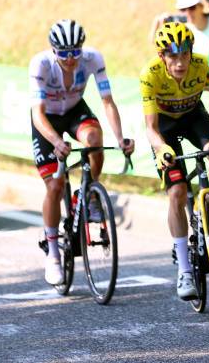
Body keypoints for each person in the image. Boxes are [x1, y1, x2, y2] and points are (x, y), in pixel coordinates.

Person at [30, 19, 134, 285]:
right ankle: (53, 253)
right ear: (53, 51)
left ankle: (88, 193)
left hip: (76, 110)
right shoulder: (41, 64)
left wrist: (120, 138)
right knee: (54, 186)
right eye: (63, 53)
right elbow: (37, 112)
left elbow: (107, 101)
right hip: (48, 120)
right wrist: (55, 140)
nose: (70, 58)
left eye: (75, 52)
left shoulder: (93, 59)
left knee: (94, 138)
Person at [141, 22, 209, 300]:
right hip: (165, 129)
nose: (180, 62)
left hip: (195, 117)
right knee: (177, 192)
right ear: (162, 57)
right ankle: (184, 269)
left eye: (184, 54)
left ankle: (208, 206)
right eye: (173, 56)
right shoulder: (150, 75)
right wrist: (160, 149)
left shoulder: (202, 65)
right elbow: (150, 127)